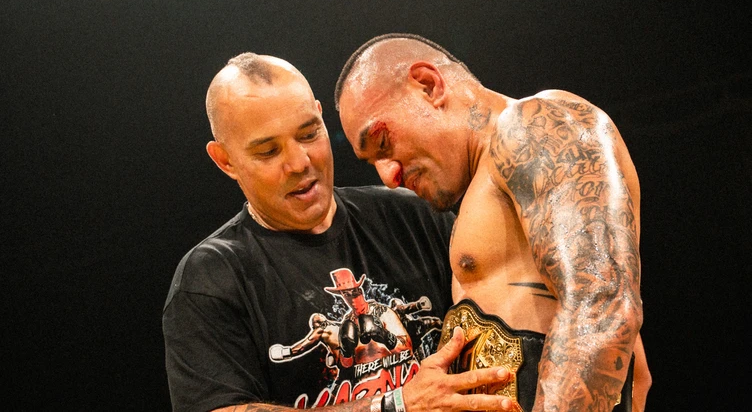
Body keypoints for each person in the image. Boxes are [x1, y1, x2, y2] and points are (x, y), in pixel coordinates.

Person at [162, 53, 519, 412]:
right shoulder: (211, 277)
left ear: (321, 116)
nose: (300, 162)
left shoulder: (412, 216)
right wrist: (396, 405)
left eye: (309, 134)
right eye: (269, 151)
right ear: (225, 160)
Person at [335, 34, 652, 412]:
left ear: (428, 86)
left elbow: (601, 304)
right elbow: (636, 371)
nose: (388, 177)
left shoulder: (536, 124)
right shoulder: (483, 195)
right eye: (372, 162)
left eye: (383, 143)